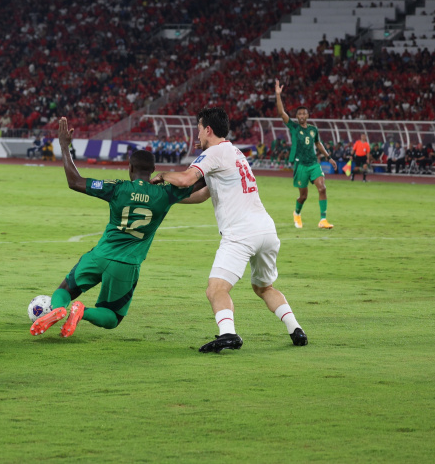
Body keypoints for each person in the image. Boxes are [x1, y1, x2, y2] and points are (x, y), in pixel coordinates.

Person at [153, 107, 308, 352]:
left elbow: (185, 179)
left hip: (241, 233)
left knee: (216, 289)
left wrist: (162, 175)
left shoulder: (213, 153)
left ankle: (228, 334)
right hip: (266, 230)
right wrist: (168, 200)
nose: (198, 135)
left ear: (208, 129)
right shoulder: (234, 152)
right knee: (263, 287)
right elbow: (205, 193)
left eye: (198, 129)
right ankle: (296, 329)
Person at [30, 117, 202, 338]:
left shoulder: (117, 188)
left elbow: (75, 181)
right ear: (152, 170)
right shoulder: (166, 194)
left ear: (130, 168)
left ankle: (58, 309)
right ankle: (82, 312)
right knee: (112, 317)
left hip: (99, 256)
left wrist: (64, 145)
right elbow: (198, 181)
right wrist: (208, 152)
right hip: (127, 264)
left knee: (64, 290)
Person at [275, 79, 337, 229]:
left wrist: (329, 157)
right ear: (297, 116)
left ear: (308, 115)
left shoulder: (313, 130)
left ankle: (323, 220)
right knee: (303, 196)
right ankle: (297, 213)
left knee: (322, 188)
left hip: (313, 164)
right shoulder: (294, 127)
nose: (302, 115)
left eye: (304, 113)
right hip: (300, 165)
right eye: (299, 113)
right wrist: (278, 95)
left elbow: (318, 143)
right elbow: (281, 112)